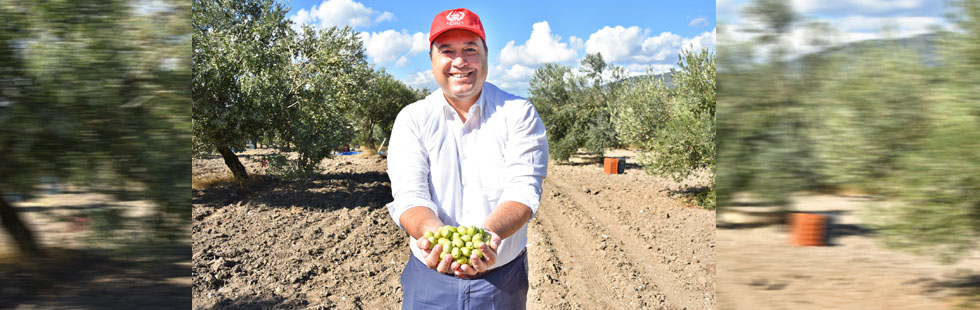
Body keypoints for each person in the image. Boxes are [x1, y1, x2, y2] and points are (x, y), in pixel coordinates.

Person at [385, 7, 549, 310]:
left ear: (486, 54)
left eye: (470, 50)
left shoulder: (518, 114)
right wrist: (432, 233)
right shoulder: (413, 119)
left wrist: (488, 236)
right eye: (447, 51)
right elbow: (409, 195)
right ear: (432, 60)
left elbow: (524, 190)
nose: (460, 62)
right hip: (428, 280)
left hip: (502, 281)